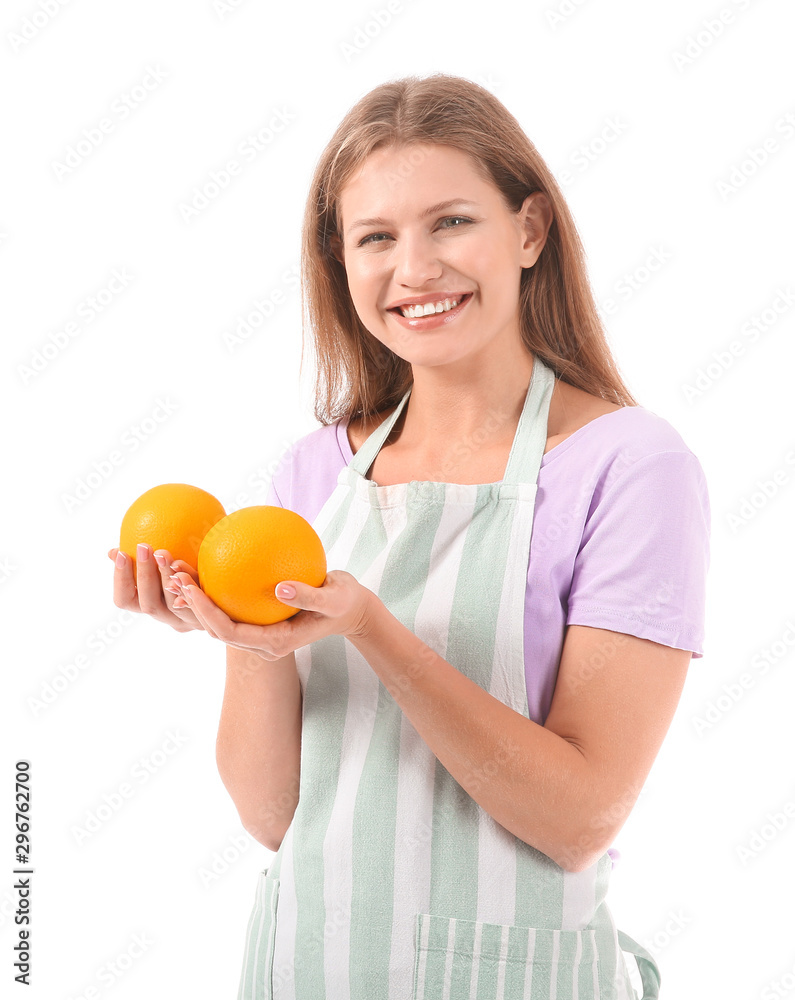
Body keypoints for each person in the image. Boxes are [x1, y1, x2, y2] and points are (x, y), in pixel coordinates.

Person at [109, 73, 710, 1000]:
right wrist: (247, 646)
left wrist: (370, 628)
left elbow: (579, 817)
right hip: (307, 968)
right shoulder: (312, 477)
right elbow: (276, 817)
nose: (414, 269)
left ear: (530, 230)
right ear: (341, 264)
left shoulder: (628, 466)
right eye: (376, 237)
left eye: (452, 222)